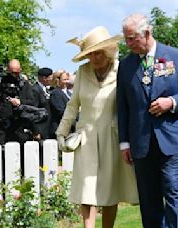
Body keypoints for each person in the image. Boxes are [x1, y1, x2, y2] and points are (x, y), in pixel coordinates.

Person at [117, 13, 178, 227]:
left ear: (147, 33)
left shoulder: (176, 56)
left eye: (132, 38)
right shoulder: (125, 66)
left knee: (172, 188)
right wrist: (124, 142)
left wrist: (171, 102)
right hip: (141, 142)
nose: (128, 44)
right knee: (149, 197)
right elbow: (122, 106)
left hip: (172, 139)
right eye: (126, 38)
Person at [57, 26, 138, 228]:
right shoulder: (83, 72)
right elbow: (73, 105)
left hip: (112, 137)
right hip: (86, 138)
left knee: (110, 190)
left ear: (109, 50)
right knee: (87, 188)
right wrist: (62, 131)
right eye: (90, 53)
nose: (94, 58)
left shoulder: (122, 70)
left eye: (98, 52)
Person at [0, 59, 35, 144]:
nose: (14, 75)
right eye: (12, 72)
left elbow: (32, 102)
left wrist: (20, 102)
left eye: (17, 72)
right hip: (3, 126)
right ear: (8, 70)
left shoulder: (24, 84)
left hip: (20, 125)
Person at [32, 67, 53, 141]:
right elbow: (34, 111)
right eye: (50, 77)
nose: (51, 79)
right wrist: (36, 131)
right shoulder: (35, 90)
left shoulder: (48, 90)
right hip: (41, 129)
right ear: (44, 78)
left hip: (48, 128)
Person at [50, 70, 72, 139]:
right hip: (60, 128)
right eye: (64, 79)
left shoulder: (70, 93)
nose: (67, 81)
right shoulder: (55, 93)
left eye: (67, 79)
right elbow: (60, 111)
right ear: (57, 80)